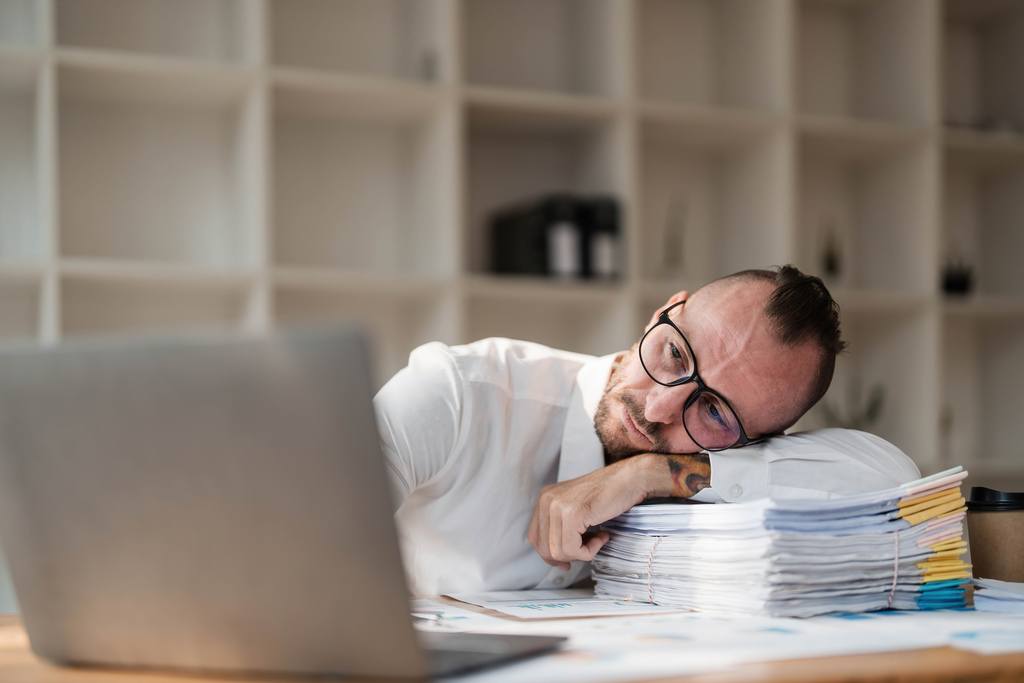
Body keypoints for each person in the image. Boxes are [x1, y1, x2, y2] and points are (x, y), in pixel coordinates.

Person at [374, 266, 920, 596]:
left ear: (757, 441)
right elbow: (300, 536)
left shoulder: (715, 466)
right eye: (674, 352)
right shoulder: (461, 392)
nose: (659, 406)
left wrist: (653, 473)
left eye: (712, 411)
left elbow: (894, 476)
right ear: (664, 310)